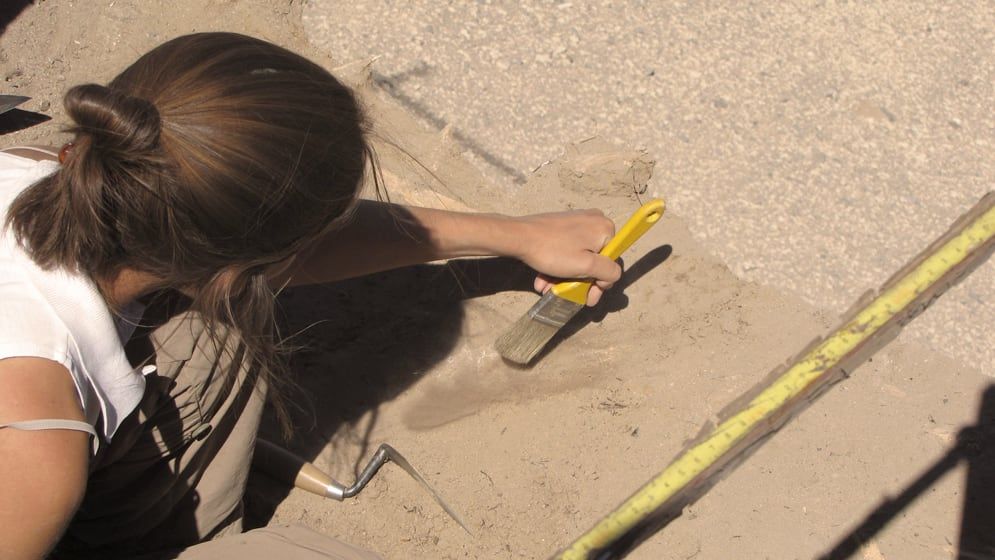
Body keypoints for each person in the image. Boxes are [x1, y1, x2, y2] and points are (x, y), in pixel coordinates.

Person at [0, 33, 621, 559]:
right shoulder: (36, 447)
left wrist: (516, 235)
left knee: (204, 332)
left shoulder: (48, 168)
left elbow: (247, 234)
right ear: (242, 264)